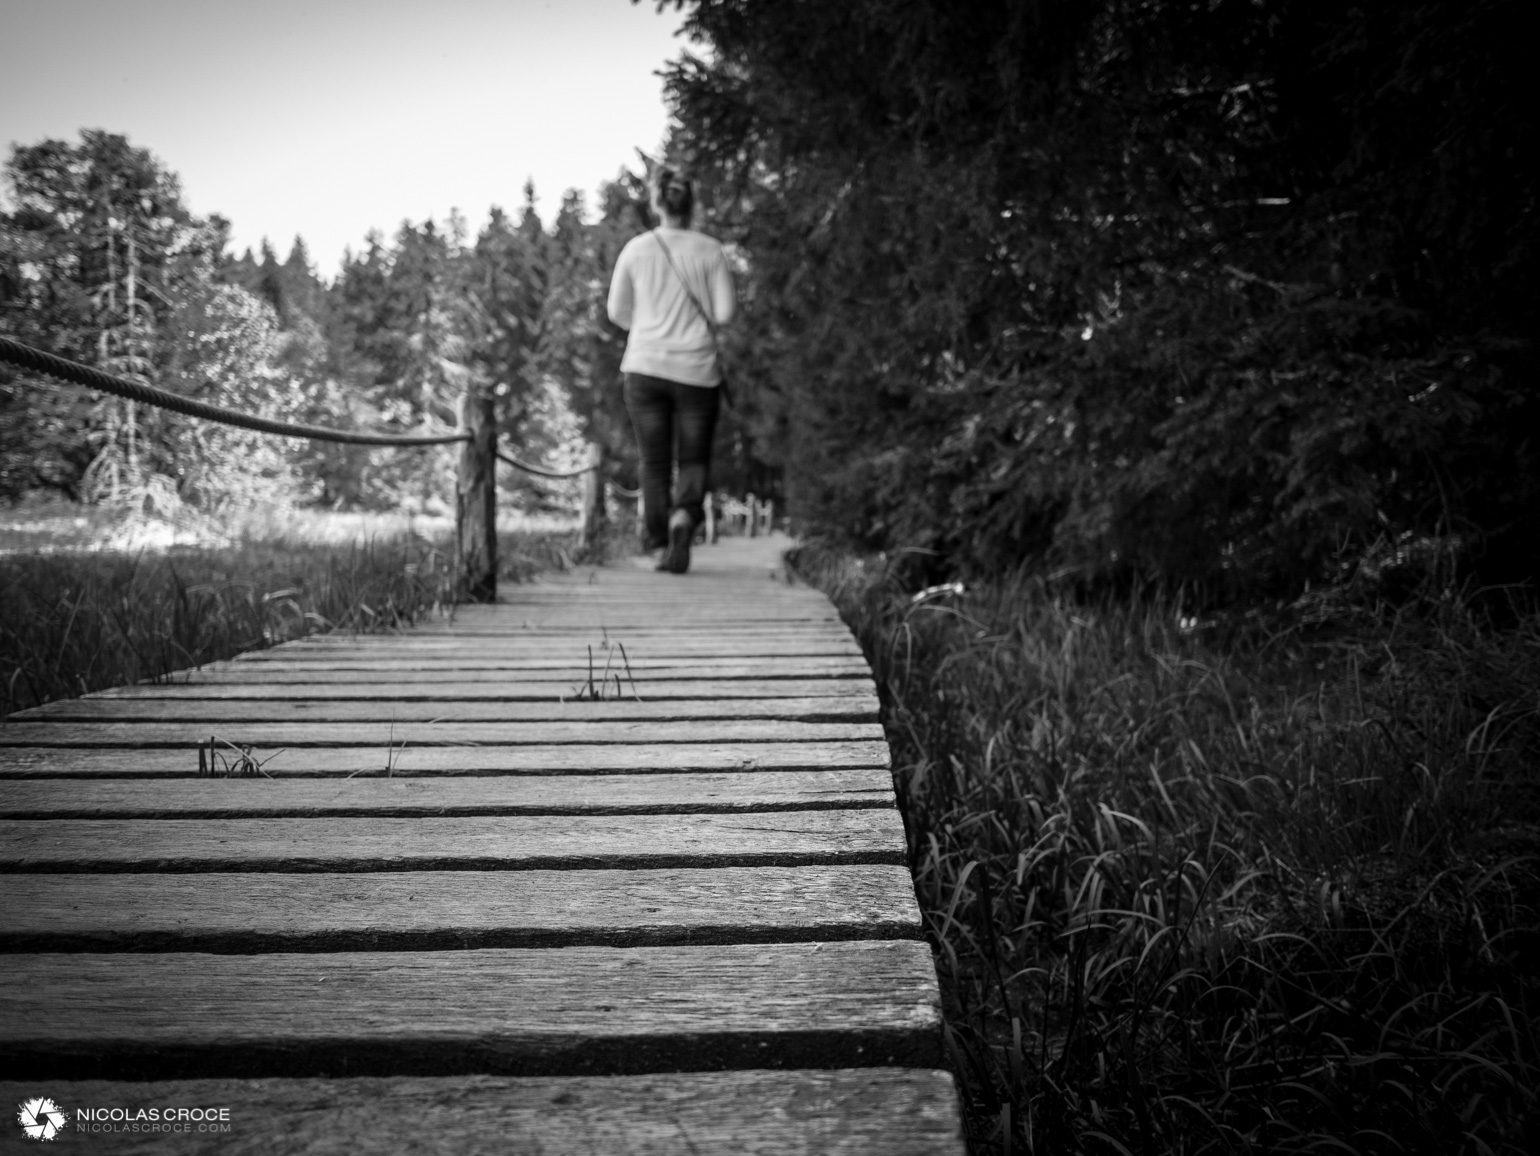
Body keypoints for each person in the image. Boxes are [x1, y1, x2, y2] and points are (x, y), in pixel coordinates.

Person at [606, 166, 735, 573]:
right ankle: (684, 517)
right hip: (697, 369)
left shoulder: (636, 249)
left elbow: (616, 312)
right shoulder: (710, 249)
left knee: (654, 461)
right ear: (691, 204)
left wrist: (646, 327)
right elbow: (725, 313)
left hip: (644, 367)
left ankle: (661, 540)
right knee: (693, 458)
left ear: (657, 202)